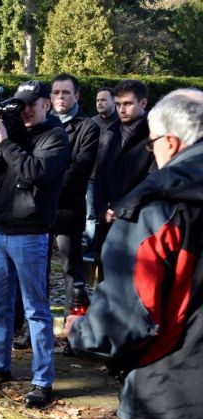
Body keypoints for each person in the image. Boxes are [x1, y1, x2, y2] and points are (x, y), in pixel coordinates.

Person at [67, 88, 203, 419]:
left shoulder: (156, 203)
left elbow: (127, 316)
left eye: (152, 144)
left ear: (171, 144)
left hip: (169, 407)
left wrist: (80, 333)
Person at [0, 80, 70, 408]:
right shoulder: (13, 133)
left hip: (31, 233)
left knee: (36, 310)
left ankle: (42, 380)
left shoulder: (55, 137)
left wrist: (6, 141)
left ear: (46, 104)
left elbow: (33, 172)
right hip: (0, 231)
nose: (25, 111)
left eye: (31, 104)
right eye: (21, 105)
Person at [48, 74, 99, 312]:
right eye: (56, 92)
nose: (60, 97)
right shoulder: (42, 123)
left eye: (66, 92)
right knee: (38, 268)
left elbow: (80, 169)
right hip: (41, 208)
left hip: (68, 208)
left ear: (76, 96)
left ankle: (75, 322)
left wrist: (43, 179)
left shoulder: (88, 127)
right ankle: (34, 322)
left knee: (71, 270)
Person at [93, 80, 155, 270]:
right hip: (107, 220)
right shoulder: (109, 133)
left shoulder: (154, 135)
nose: (121, 109)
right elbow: (100, 174)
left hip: (137, 222)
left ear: (143, 103)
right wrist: (101, 209)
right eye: (118, 104)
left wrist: (123, 209)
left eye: (127, 104)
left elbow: (153, 179)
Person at [84, 87, 119, 252]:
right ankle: (90, 248)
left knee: (110, 215)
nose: (99, 103)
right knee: (90, 215)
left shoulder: (122, 124)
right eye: (98, 100)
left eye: (104, 100)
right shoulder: (91, 123)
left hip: (112, 180)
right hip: (91, 178)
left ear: (114, 101)